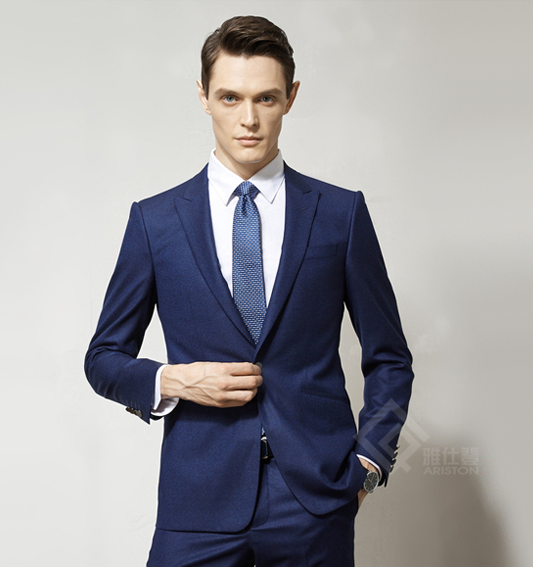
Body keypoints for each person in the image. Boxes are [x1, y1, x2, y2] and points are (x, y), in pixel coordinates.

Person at [85, 15, 414, 567]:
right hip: (197, 500)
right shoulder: (155, 222)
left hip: (315, 500)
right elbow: (102, 359)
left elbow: (390, 358)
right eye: (230, 98)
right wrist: (177, 380)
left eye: (266, 98)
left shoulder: (341, 214)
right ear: (203, 97)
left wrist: (369, 464)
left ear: (291, 97)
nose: (249, 119)